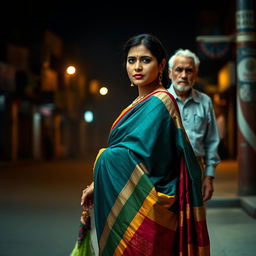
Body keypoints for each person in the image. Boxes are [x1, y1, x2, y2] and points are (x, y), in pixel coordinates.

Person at [71, 34, 210, 256]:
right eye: (131, 60)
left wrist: (105, 159)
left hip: (151, 201)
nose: (137, 66)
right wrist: (97, 182)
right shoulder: (136, 104)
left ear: (162, 65)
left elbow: (143, 156)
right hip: (132, 195)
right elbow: (129, 151)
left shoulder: (161, 102)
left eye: (146, 60)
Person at [168, 49, 221, 202]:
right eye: (179, 70)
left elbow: (212, 141)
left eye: (189, 71)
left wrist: (209, 177)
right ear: (170, 73)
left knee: (194, 221)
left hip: (196, 170)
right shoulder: (160, 101)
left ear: (196, 75)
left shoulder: (205, 101)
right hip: (166, 172)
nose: (184, 75)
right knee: (168, 221)